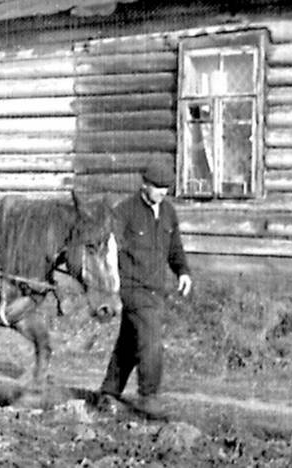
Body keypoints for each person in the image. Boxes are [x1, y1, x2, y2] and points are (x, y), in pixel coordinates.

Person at [97, 160, 192, 419]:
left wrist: (183, 272)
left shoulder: (169, 212)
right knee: (151, 340)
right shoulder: (124, 212)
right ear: (144, 185)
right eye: (158, 187)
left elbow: (175, 249)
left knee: (129, 342)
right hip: (132, 288)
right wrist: (111, 287)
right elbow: (109, 253)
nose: (163, 192)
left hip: (155, 289)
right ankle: (149, 397)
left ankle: (109, 392)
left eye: (167, 188)